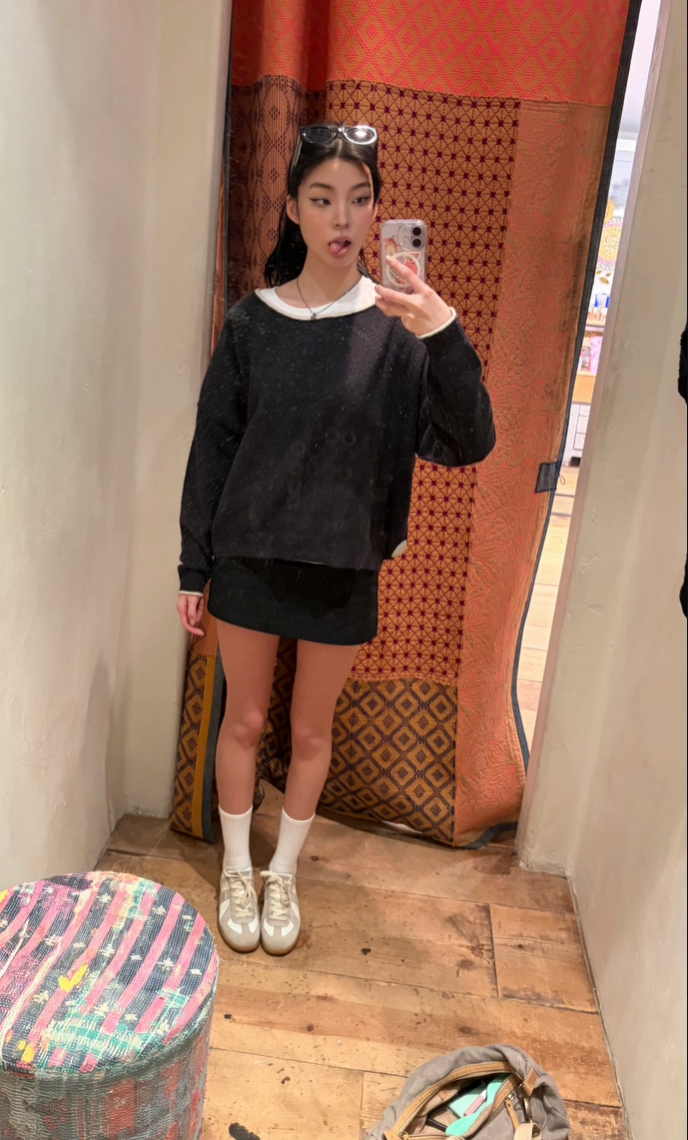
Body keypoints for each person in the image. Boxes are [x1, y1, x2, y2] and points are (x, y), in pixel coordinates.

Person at [177, 122, 496, 957]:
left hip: (344, 565)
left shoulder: (398, 332)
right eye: (322, 198)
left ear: (378, 210)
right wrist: (192, 566)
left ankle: (283, 872)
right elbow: (213, 448)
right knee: (244, 722)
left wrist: (442, 329)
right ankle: (239, 868)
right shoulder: (252, 324)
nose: (342, 217)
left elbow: (469, 442)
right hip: (249, 557)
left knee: (312, 734)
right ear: (292, 208)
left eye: (359, 198)